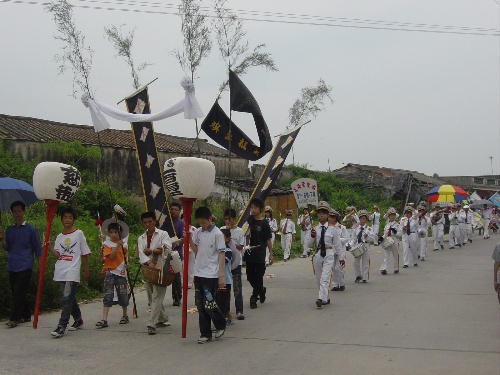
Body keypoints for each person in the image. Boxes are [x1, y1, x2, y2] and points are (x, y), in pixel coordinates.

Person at [49, 207, 90, 338]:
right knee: (69, 298)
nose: (67, 220)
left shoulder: (78, 234)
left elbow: (84, 253)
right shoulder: (59, 236)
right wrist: (49, 247)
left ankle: (61, 326)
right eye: (65, 217)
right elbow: (57, 255)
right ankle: (78, 319)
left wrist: (86, 270)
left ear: (74, 220)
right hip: (60, 270)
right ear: (61, 220)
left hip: (72, 270)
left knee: (66, 299)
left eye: (70, 217)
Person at [0, 200, 42, 328]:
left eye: (19, 211)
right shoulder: (10, 230)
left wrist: (40, 266)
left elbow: (37, 249)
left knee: (19, 291)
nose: (17, 213)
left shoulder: (30, 229)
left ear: (24, 212)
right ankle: (26, 314)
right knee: (16, 292)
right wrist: (2, 239)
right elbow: (7, 247)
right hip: (12, 265)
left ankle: (14, 318)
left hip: (25, 264)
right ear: (12, 213)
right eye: (14, 211)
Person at [189, 206, 226, 344]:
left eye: (204, 222)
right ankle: (205, 333)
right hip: (199, 272)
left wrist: (221, 275)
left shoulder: (217, 234)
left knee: (208, 303)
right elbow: (196, 251)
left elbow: (222, 254)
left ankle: (220, 323)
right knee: (200, 304)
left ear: (210, 219)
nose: (202, 225)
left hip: (211, 274)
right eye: (200, 223)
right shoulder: (198, 232)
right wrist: (189, 240)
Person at [137, 212, 172, 335]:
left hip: (162, 269)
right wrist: (149, 262)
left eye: (150, 222)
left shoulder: (163, 234)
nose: (148, 224)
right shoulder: (141, 238)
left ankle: (151, 323)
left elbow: (167, 248)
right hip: (147, 270)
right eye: (145, 222)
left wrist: (153, 251)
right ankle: (163, 318)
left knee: (157, 296)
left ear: (154, 221)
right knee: (151, 297)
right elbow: (141, 253)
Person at [308, 202, 341, 308]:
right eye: (320, 213)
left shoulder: (333, 228)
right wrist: (312, 236)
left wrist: (341, 258)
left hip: (329, 253)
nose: (321, 215)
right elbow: (309, 244)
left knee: (325, 277)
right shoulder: (314, 228)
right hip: (318, 254)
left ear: (327, 215)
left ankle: (320, 298)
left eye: (324, 213)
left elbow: (337, 244)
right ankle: (325, 297)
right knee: (319, 278)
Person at [96, 222, 129, 328]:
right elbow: (111, 256)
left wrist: (127, 262)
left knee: (123, 294)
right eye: (111, 232)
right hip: (110, 271)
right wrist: (118, 245)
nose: (113, 234)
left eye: (116, 232)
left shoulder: (124, 244)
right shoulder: (106, 244)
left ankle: (125, 315)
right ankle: (104, 319)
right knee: (108, 294)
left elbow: (125, 256)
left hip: (121, 272)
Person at [244, 198, 273, 309]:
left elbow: (268, 239)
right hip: (249, 252)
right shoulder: (249, 220)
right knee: (250, 277)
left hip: (260, 254)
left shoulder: (264, 223)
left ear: (260, 209)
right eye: (251, 207)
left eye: (255, 207)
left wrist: (271, 253)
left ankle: (253, 297)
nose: (253, 210)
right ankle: (261, 289)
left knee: (259, 276)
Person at [221, 208, 245, 320]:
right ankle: (226, 311)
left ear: (234, 219)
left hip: (236, 262)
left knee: (237, 288)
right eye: (225, 219)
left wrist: (230, 243)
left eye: (229, 219)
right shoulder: (221, 230)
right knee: (225, 288)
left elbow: (241, 246)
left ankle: (239, 310)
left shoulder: (239, 231)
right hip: (225, 263)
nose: (227, 221)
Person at [349, 210, 375, 282]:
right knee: (355, 262)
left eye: (363, 218)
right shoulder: (355, 228)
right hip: (357, 245)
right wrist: (350, 245)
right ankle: (358, 276)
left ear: (366, 220)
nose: (362, 220)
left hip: (365, 245)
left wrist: (367, 236)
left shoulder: (369, 229)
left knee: (365, 262)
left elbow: (373, 239)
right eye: (360, 218)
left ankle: (365, 277)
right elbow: (353, 238)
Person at [328, 209, 348, 291]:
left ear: (335, 218)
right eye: (329, 217)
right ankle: (335, 285)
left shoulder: (342, 227)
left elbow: (346, 238)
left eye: (331, 217)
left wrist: (338, 240)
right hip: (331, 249)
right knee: (333, 268)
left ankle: (341, 284)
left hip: (340, 249)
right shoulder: (328, 227)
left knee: (339, 267)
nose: (330, 219)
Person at [217, 229, 233, 325]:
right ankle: (225, 317)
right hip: (215, 279)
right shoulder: (215, 250)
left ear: (227, 239)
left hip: (226, 280)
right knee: (218, 301)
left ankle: (224, 319)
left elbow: (223, 262)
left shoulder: (228, 251)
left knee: (224, 301)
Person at [169, 202, 184, 307]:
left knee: (176, 276)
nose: (173, 211)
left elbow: (184, 238)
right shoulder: (165, 222)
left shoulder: (181, 223)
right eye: (171, 209)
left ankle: (177, 297)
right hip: (164, 251)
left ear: (179, 211)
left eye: (175, 209)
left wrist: (175, 242)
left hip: (176, 253)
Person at [380, 207, 400, 275]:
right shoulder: (387, 225)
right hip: (388, 240)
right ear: (389, 216)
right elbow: (385, 234)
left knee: (395, 254)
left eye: (394, 215)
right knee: (386, 255)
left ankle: (396, 268)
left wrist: (395, 232)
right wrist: (382, 238)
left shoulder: (397, 225)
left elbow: (400, 234)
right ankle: (384, 268)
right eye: (391, 215)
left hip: (394, 239)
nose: (393, 217)